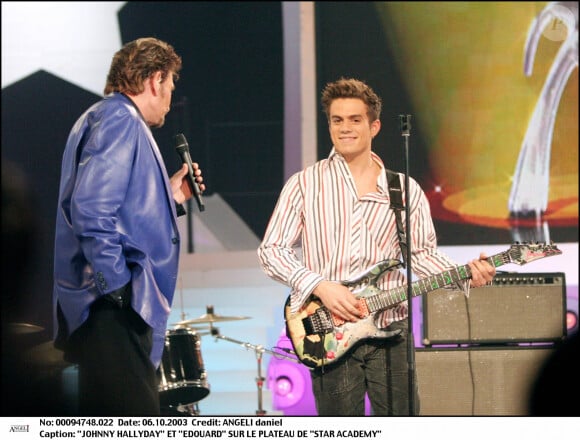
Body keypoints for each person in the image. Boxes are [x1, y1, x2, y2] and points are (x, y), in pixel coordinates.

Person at [257, 77, 496, 416]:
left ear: (375, 126)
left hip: (390, 329)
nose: (345, 128)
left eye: (355, 120)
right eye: (337, 120)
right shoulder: (304, 184)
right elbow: (272, 251)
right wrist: (320, 286)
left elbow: (421, 255)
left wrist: (465, 275)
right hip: (328, 329)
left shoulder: (403, 189)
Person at [53, 37, 205, 416]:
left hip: (110, 308)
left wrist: (172, 197)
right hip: (112, 310)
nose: (170, 96)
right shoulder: (121, 120)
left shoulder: (110, 118)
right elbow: (91, 209)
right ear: (155, 80)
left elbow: (119, 212)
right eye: (170, 85)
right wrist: (118, 286)